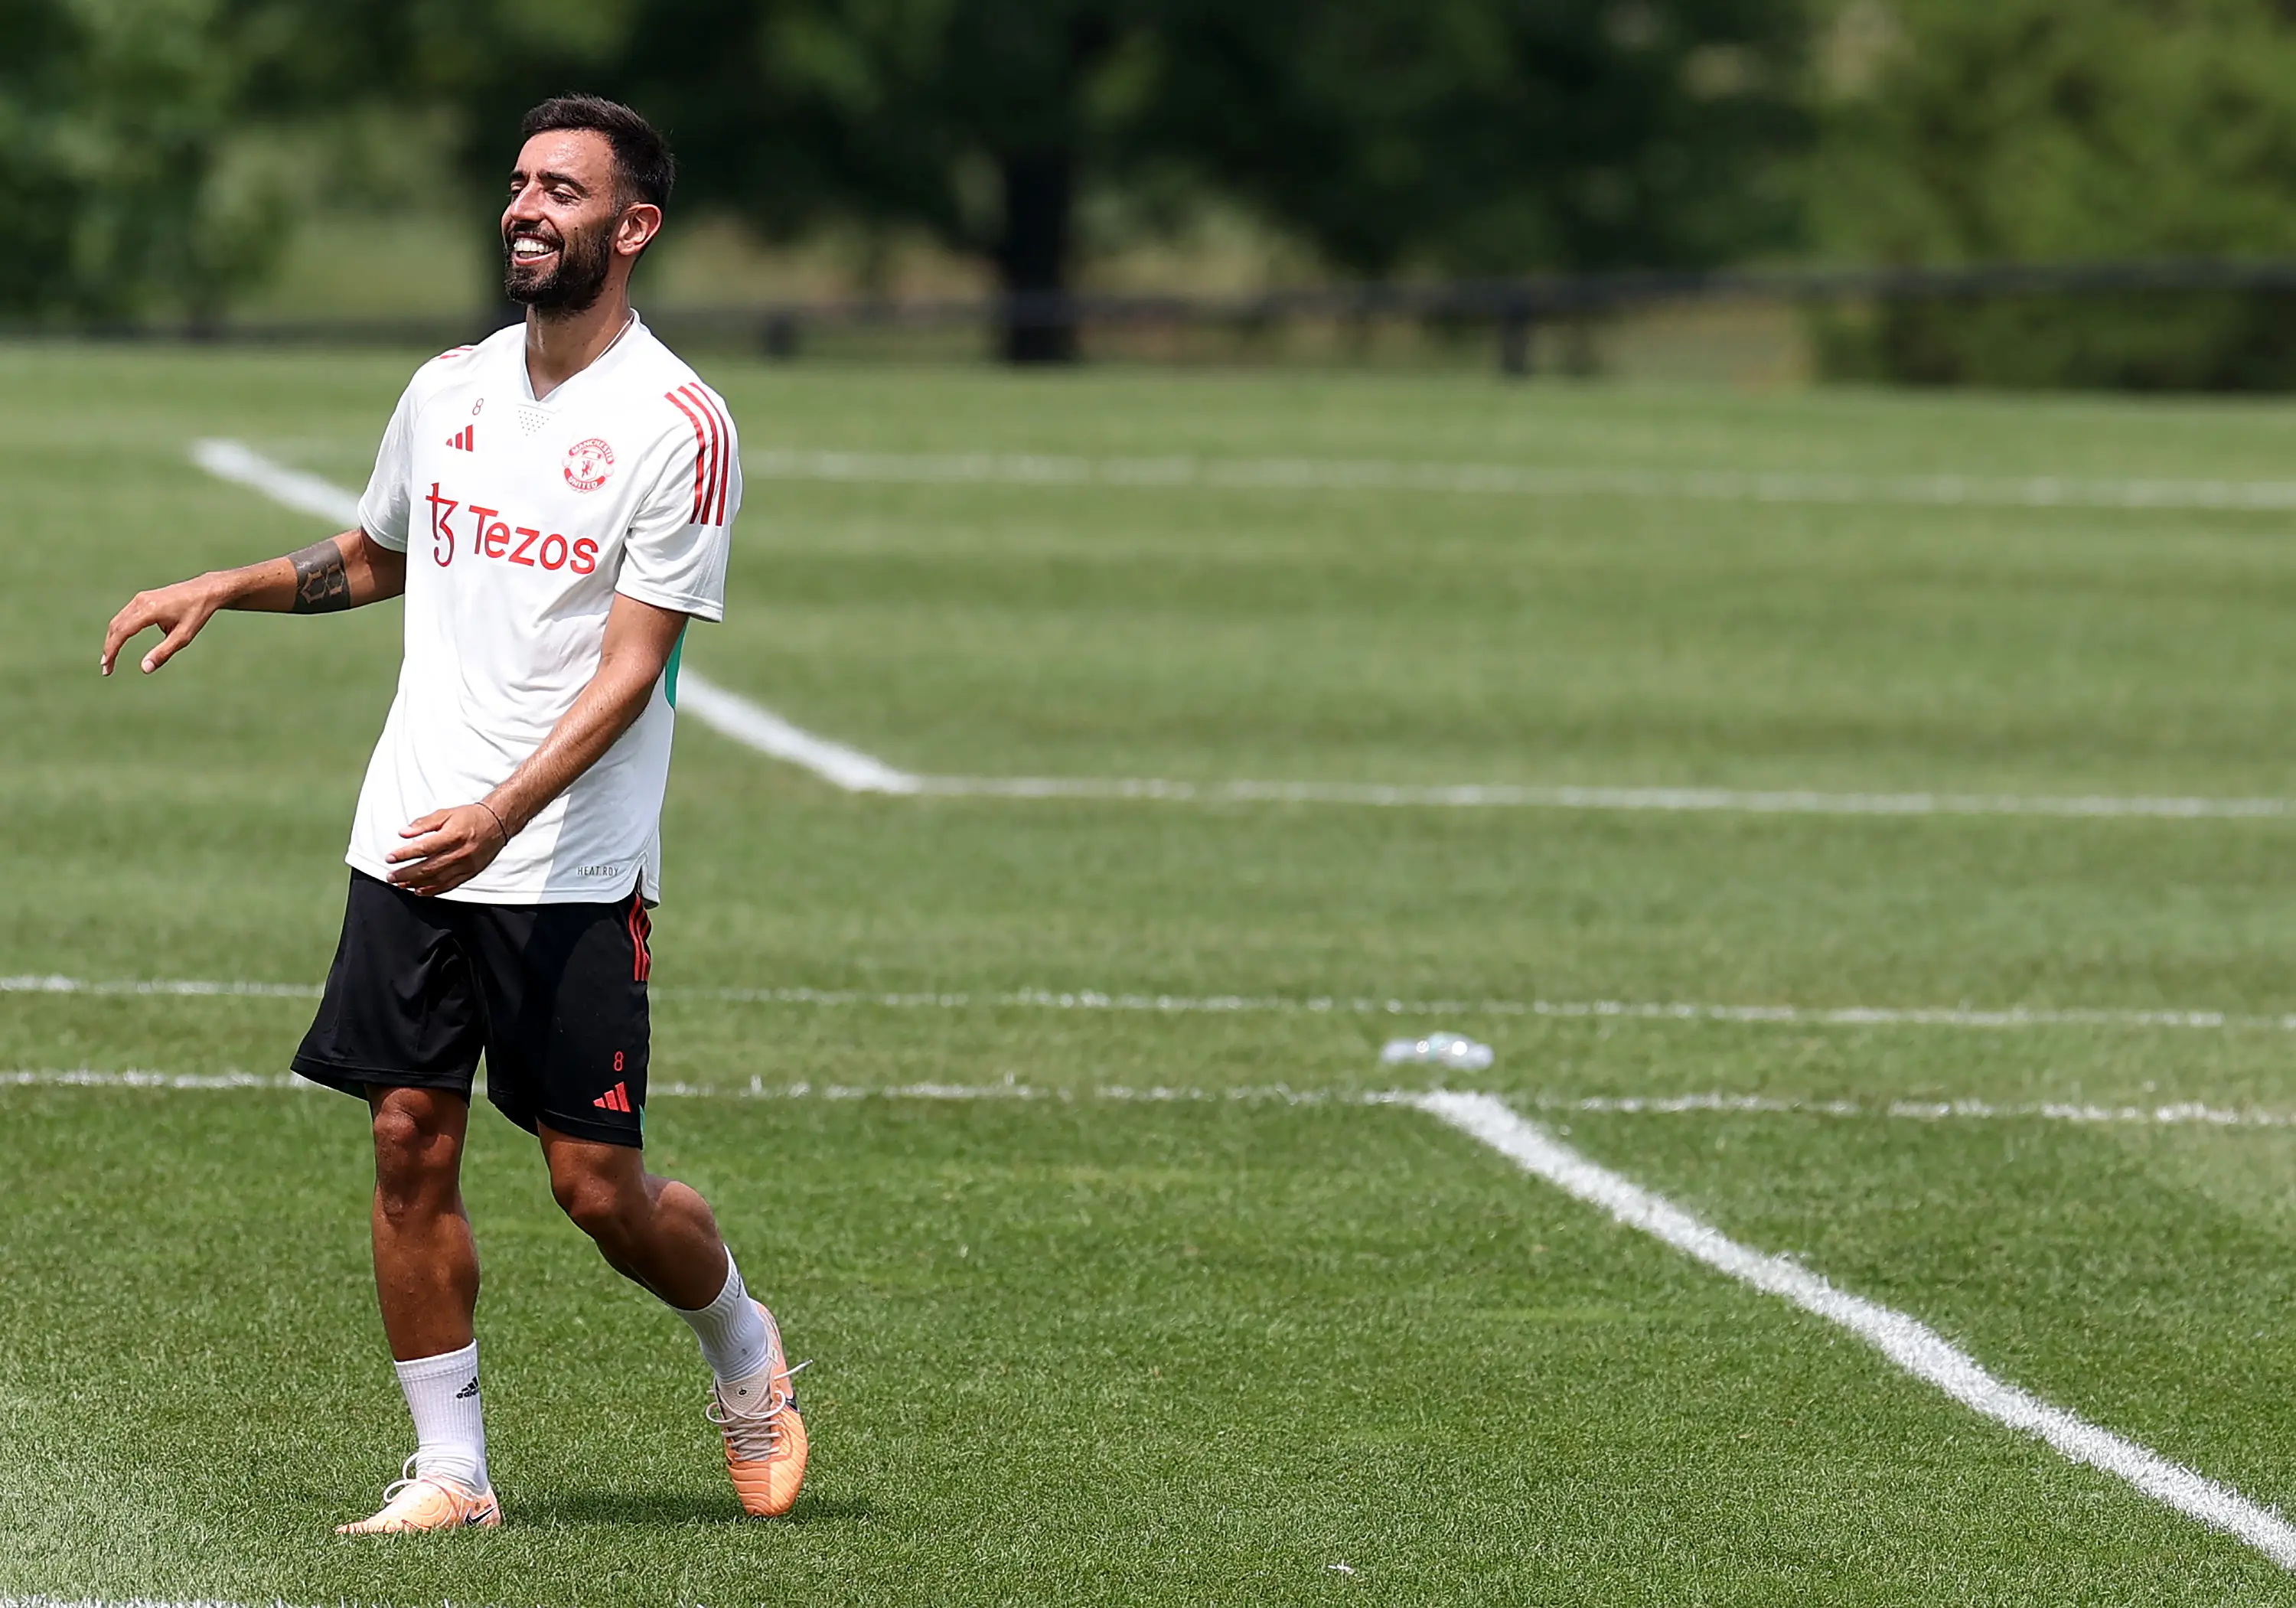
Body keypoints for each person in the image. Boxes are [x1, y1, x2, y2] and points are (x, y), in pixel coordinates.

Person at [99, 94, 804, 1534]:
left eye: (563, 190)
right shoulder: (450, 387)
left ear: (634, 226)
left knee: (598, 1194)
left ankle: (741, 1343)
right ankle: (452, 1474)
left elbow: (635, 665)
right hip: (413, 833)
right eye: (519, 182)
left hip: (567, 858)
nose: (526, 208)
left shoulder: (682, 425)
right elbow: (379, 553)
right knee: (408, 1139)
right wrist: (222, 587)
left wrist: (504, 812)